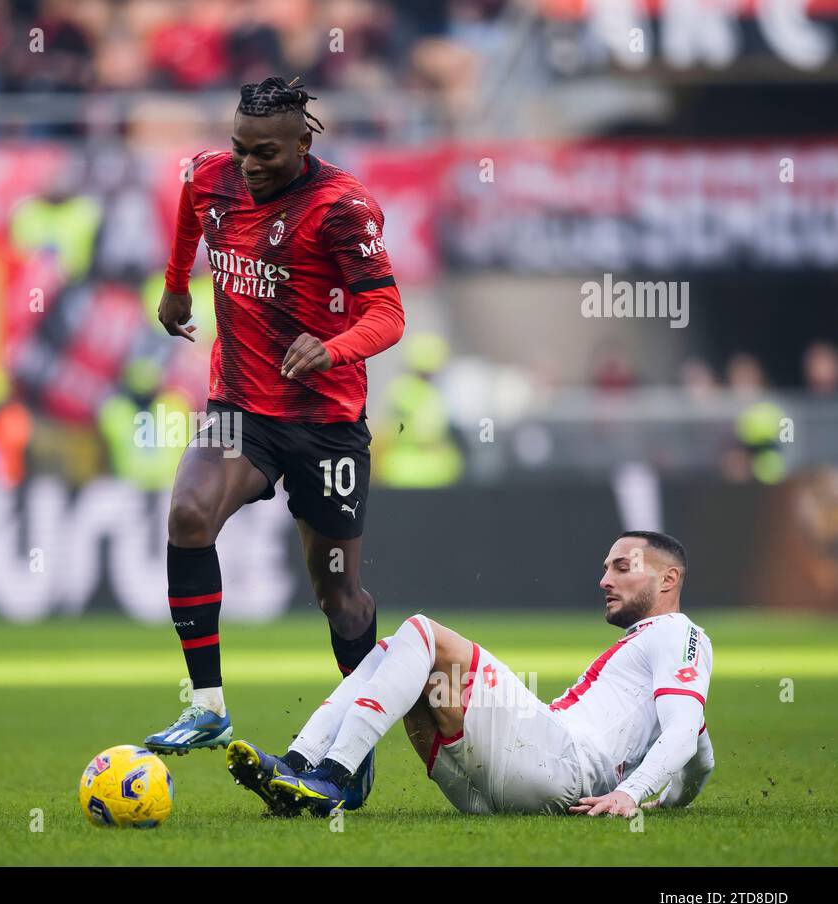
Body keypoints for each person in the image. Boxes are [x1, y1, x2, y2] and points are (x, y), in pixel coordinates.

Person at [144, 76, 407, 813]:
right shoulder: (211, 175)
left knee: (339, 598)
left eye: (266, 152)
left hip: (325, 425)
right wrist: (174, 286)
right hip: (240, 409)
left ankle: (350, 753)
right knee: (189, 515)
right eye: (240, 148)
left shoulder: (341, 208)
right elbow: (191, 208)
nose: (249, 164)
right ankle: (207, 705)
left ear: (304, 143)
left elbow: (388, 312)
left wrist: (335, 347)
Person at [227, 531, 714, 819]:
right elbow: (698, 752)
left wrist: (629, 794)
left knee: (421, 632)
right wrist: (668, 802)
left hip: (564, 764)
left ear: (668, 579)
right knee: (397, 653)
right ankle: (301, 766)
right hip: (513, 783)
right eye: (606, 568)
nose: (604, 579)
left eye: (621, 567)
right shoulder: (659, 648)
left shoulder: (677, 631)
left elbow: (683, 733)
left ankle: (333, 776)